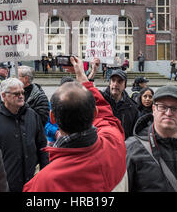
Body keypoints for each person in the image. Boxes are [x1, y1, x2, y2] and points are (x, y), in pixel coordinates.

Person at [23, 56, 128, 192]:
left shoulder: (43, 183)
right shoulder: (114, 142)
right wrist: (82, 77)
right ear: (94, 113)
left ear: (52, 117)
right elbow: (105, 114)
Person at [0, 78, 49, 192]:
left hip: (31, 182)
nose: (21, 96)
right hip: (5, 183)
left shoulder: (32, 115)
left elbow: (42, 145)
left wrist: (45, 171)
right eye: (16, 93)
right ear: (4, 96)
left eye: (22, 93)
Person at [100, 69, 139, 139]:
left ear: (125, 85)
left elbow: (134, 134)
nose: (115, 84)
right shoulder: (100, 100)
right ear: (110, 83)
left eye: (119, 81)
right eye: (113, 80)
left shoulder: (132, 108)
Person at [44, 76, 74, 146]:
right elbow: (45, 124)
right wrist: (56, 132)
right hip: (54, 140)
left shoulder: (77, 102)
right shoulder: (53, 103)